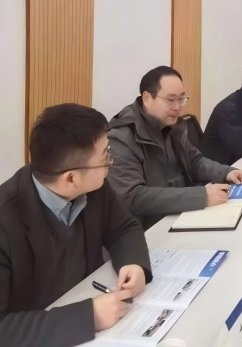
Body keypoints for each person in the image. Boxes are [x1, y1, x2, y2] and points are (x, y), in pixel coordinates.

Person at [0, 104, 152, 346]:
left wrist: (134, 263)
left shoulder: (93, 186)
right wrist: (88, 318)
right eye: (105, 157)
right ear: (70, 178)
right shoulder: (6, 220)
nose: (110, 163)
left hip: (98, 313)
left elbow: (124, 228)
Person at [108, 66, 242, 229]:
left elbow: (195, 161)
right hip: (149, 227)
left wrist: (226, 172)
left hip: (180, 213)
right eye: (170, 100)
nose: (177, 107)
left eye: (181, 99)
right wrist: (201, 196)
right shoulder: (121, 138)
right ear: (147, 98)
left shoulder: (171, 125)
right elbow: (133, 197)